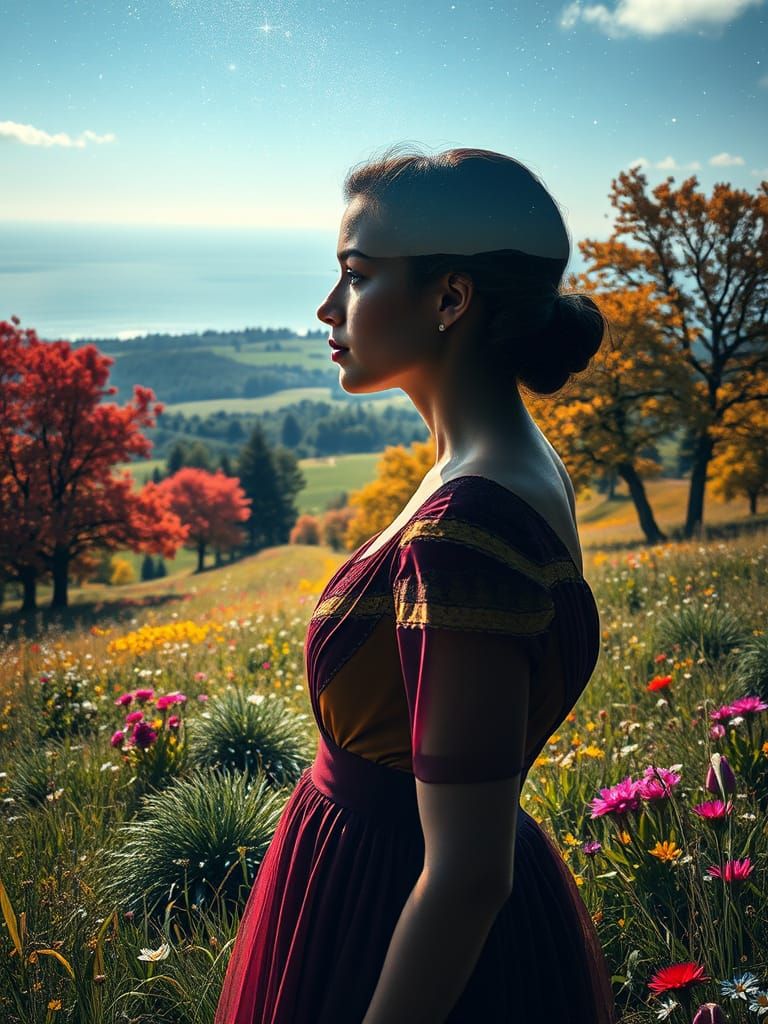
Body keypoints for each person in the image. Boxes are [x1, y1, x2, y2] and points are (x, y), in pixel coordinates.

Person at [214, 145, 617, 1023]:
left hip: (391, 923)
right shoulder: (498, 464)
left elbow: (468, 877)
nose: (328, 307)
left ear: (450, 298)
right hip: (381, 894)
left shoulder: (467, 534)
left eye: (355, 276)